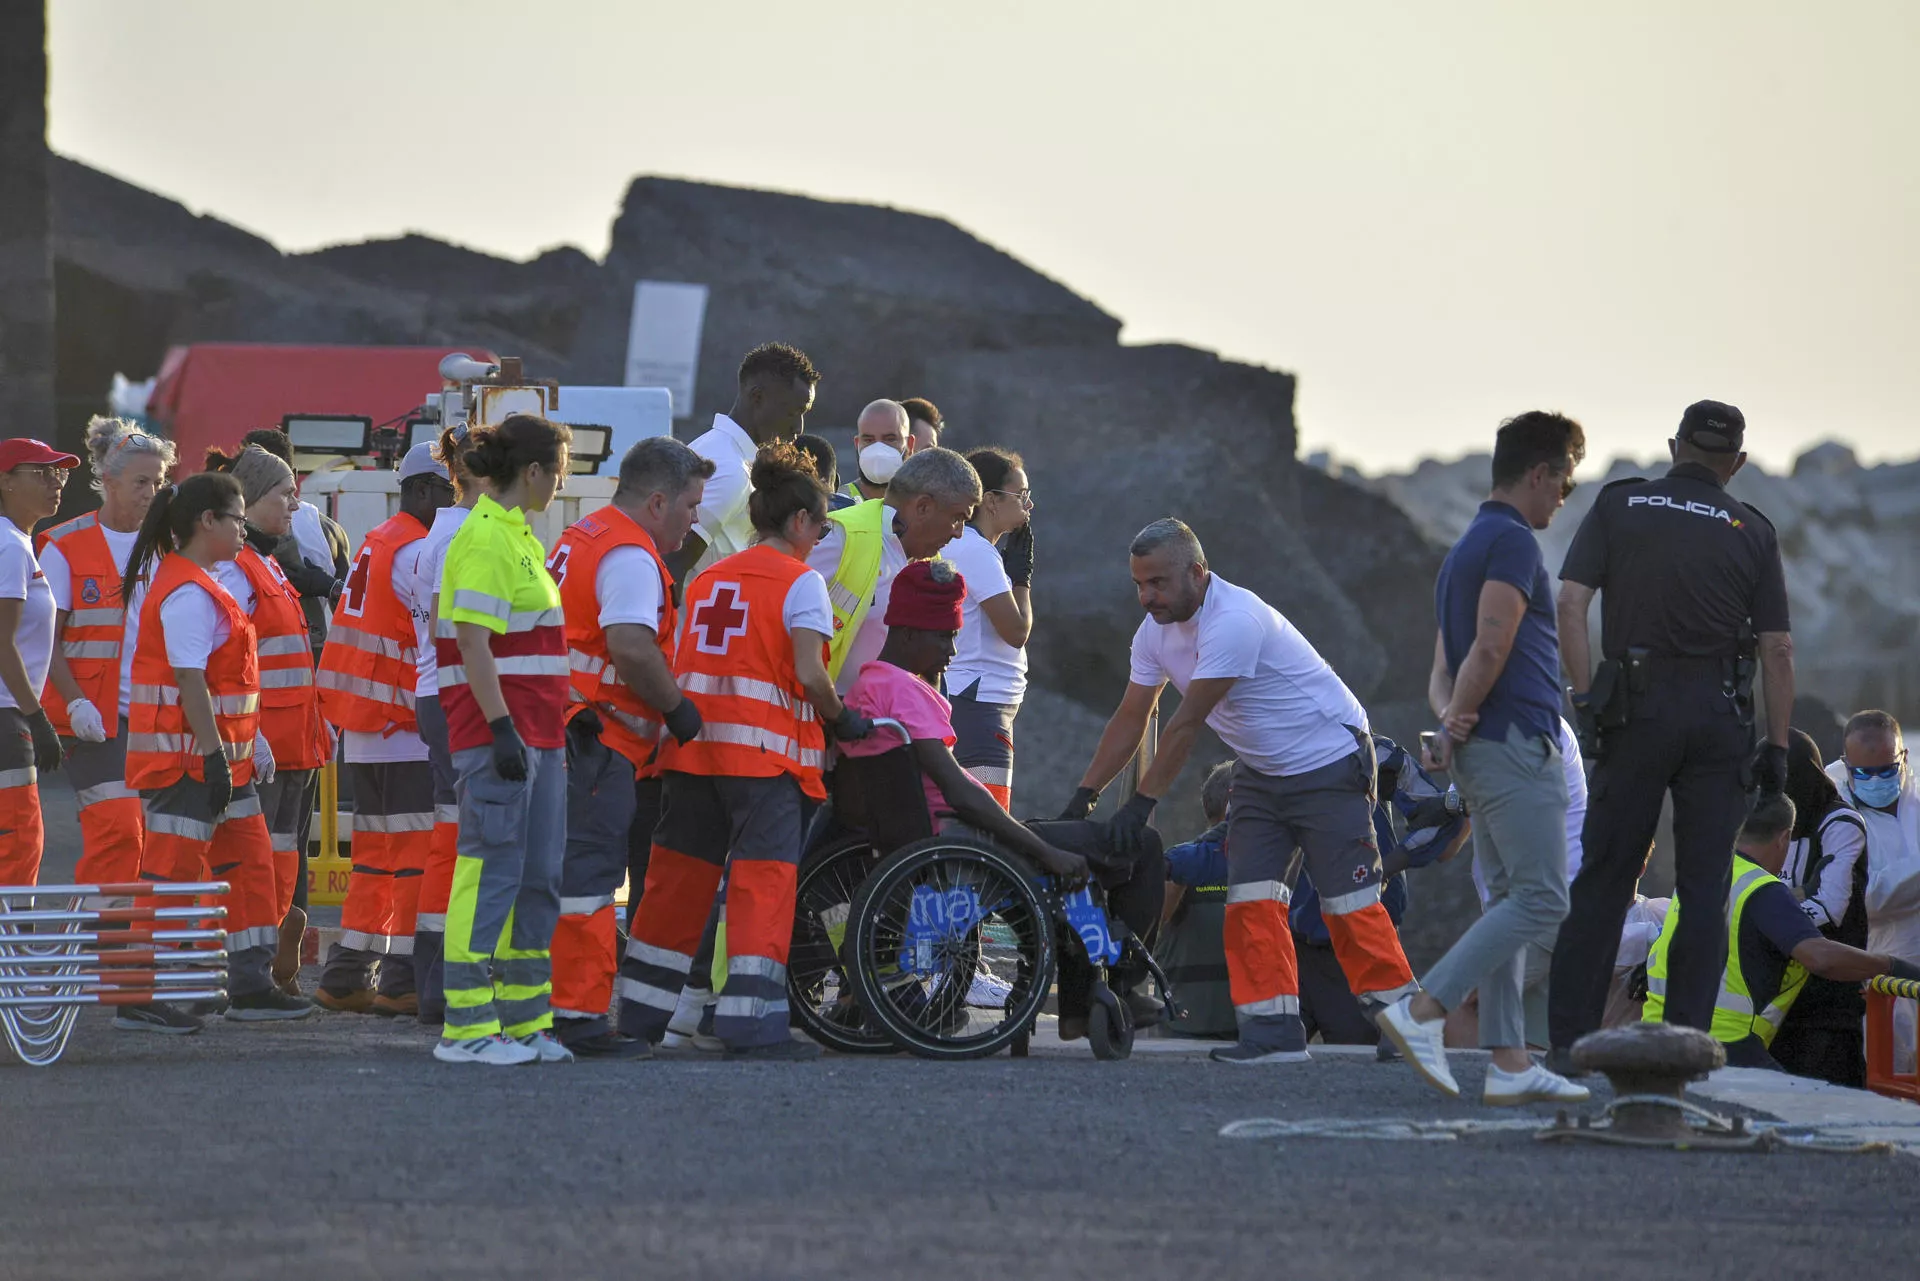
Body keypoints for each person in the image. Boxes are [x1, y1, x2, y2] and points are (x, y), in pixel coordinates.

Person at [1065, 518, 1418, 1065]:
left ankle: (1406, 1026)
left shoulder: (1233, 620)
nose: (1145, 597)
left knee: (1347, 904)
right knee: (1250, 898)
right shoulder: (1154, 632)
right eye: (1138, 584)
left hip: (1328, 759)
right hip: (1260, 769)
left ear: (1197, 573)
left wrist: (1142, 806)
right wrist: (1085, 796)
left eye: (1157, 583)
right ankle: (1273, 1034)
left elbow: (1185, 725)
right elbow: (1132, 716)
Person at [1548, 400, 1795, 1073]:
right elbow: (1777, 649)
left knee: (1604, 879)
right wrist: (1776, 744)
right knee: (1704, 890)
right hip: (1718, 721)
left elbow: (1570, 602)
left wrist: (1583, 696)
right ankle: (1680, 1055)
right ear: (1737, 464)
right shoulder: (1752, 527)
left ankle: (1569, 1049)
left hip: (1634, 710)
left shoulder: (1620, 505)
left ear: (1672, 446)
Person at [619, 444, 871, 1060]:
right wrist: (844, 719)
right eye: (822, 523)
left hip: (691, 756)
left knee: (676, 884)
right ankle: (751, 1023)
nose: (822, 535)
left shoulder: (707, 578)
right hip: (765, 765)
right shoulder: (803, 583)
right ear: (800, 523)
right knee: (761, 886)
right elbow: (811, 676)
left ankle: (639, 1014)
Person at [1377, 411, 1589, 1105]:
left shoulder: (1463, 548)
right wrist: (1464, 716)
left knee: (1506, 896)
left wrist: (1451, 718)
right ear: (1539, 473)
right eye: (1564, 478)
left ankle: (1509, 1059)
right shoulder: (1513, 544)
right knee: (1543, 897)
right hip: (1517, 744)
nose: (1566, 494)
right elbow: (1491, 647)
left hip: (1482, 748)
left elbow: (1444, 667)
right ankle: (1423, 1009)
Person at [840, 560, 1132, 1030]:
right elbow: (959, 792)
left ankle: (1091, 993)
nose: (953, 651)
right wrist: (1044, 851)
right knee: (1127, 850)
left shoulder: (872, 686)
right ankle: (1121, 988)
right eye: (944, 638)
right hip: (961, 840)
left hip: (929, 837)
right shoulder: (906, 694)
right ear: (911, 633)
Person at [120, 472, 313, 1031]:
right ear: (208, 522)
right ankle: (136, 993)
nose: (242, 527)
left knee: (252, 865)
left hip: (221, 763)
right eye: (234, 518)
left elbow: (225, 685)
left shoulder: (203, 583)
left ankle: (250, 983)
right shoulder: (187, 591)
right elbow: (189, 680)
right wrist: (213, 756)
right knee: (169, 874)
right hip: (189, 765)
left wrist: (250, 748)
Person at [548, 436, 714, 1058]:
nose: (694, 519)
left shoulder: (585, 533)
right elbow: (631, 646)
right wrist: (677, 709)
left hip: (565, 728)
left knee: (563, 875)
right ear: (657, 501)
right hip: (597, 738)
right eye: (690, 506)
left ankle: (548, 1007)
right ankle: (580, 1016)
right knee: (589, 880)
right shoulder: (630, 555)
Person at [432, 413, 574, 1065]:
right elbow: (471, 641)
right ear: (535, 471)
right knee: (491, 873)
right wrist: (499, 728)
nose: (564, 479)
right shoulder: (488, 537)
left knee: (535, 878)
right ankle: (466, 1028)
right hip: (503, 736)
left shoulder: (516, 535)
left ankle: (524, 1020)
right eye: (562, 466)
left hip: (535, 735)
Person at [313, 443, 454, 1013]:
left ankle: (347, 973)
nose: (455, 502)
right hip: (404, 723)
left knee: (375, 860)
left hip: (367, 727)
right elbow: (431, 642)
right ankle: (401, 979)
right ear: (422, 490)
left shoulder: (380, 541)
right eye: (450, 491)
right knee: (417, 857)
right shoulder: (418, 550)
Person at [1643, 793, 1920, 1070]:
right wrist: (1890, 964)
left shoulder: (1704, 875)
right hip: (1722, 1046)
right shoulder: (1763, 890)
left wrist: (1797, 897)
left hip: (1655, 1034)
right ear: (1784, 838)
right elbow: (1820, 957)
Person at [204, 445, 333, 1005]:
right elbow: (222, 659)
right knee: (260, 863)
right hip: (264, 744)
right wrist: (249, 737)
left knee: (281, 860)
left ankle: (273, 969)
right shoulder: (238, 568)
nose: (294, 503)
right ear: (252, 501)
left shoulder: (269, 562)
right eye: (283, 494)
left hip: (293, 742)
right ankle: (249, 975)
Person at [35, 418, 174, 889]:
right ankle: (109, 952)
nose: (151, 492)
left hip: (160, 717)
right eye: (141, 482)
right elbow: (45, 640)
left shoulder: (169, 546)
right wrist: (75, 703)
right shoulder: (66, 546)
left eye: (158, 481)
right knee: (118, 831)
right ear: (108, 481)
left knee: (160, 843)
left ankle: (129, 948)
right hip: (97, 722)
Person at [1300, 736, 1470, 1048]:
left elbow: (1441, 819)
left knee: (1364, 1069)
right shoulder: (1264, 759)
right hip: (1292, 945)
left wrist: (1386, 868)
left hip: (1361, 942)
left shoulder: (1369, 752)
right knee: (1263, 1068)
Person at [409, 425, 480, 1028]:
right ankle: (440, 981)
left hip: (441, 695)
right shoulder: (463, 536)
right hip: (457, 697)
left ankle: (435, 979)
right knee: (463, 841)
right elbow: (452, 630)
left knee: (453, 838)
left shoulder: (444, 534)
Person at [809, 447, 981, 691]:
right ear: (923, 507)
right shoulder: (840, 537)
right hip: (816, 717)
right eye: (958, 517)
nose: (958, 532)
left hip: (879, 722)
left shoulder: (929, 565)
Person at [669, 342, 820, 581]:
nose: (798, 428)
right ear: (757, 397)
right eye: (792, 412)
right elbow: (673, 562)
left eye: (804, 414)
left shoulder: (711, 447)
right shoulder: (730, 470)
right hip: (695, 617)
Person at [1771, 727, 1871, 1085]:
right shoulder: (1768, 819)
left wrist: (1771, 916)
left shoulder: (1839, 822)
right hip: (1775, 998)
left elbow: (1829, 905)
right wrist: (1793, 896)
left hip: (1828, 1000)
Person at [1825, 710, 1920, 1071]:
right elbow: (1863, 898)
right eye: (1864, 773)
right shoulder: (1836, 814)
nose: (1876, 780)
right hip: (1880, 967)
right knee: (1887, 1068)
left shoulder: (1915, 797)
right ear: (1847, 765)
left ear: (1903, 758)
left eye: (1886, 770)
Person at [0, 438, 76, 885]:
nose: (54, 483)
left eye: (59, 474)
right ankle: (10, 953)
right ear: (5, 482)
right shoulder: (10, 547)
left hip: (11, 712)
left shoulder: (16, 543)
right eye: (40, 473)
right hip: (8, 714)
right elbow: (2, 641)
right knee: (18, 845)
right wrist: (36, 716)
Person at [943, 447, 1033, 809]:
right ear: (992, 501)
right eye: (1021, 495)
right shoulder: (976, 551)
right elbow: (1016, 631)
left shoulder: (973, 547)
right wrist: (1022, 577)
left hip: (973, 698)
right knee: (985, 827)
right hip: (978, 704)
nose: (1028, 506)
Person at [238, 427, 349, 662]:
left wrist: (327, 585)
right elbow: (348, 608)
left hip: (284, 660)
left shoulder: (229, 536)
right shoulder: (328, 530)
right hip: (304, 654)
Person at [1155, 762, 1236, 1039]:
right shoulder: (1183, 863)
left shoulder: (1265, 861)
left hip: (1211, 1028)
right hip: (1187, 1030)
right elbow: (1155, 921)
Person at [843, 400, 912, 505]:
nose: (878, 451)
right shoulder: (836, 505)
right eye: (869, 440)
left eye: (890, 439)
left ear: (910, 444)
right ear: (857, 444)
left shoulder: (926, 506)